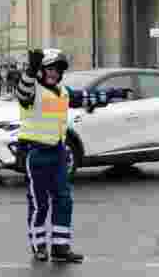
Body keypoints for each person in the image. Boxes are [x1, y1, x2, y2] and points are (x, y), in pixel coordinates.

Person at [15, 48, 102, 264]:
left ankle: (60, 248)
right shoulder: (33, 90)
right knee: (39, 203)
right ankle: (39, 246)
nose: (54, 73)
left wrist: (110, 95)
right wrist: (30, 70)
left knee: (64, 200)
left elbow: (82, 98)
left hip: (58, 153)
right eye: (50, 69)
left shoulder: (60, 93)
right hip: (35, 154)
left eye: (58, 70)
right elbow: (22, 92)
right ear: (42, 71)